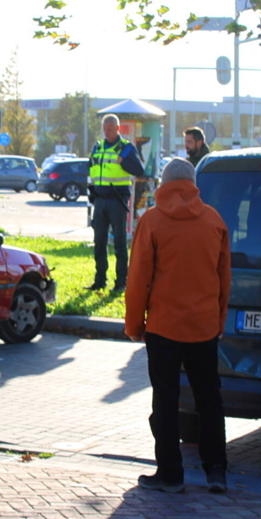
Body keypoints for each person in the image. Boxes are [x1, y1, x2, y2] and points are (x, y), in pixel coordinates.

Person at [125, 158, 231, 494]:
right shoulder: (214, 221)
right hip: (203, 326)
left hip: (163, 325)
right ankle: (216, 470)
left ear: (163, 183)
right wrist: (219, 320)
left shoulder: (152, 221)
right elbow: (223, 278)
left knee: (165, 400)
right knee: (209, 399)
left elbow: (138, 278)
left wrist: (134, 324)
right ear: (194, 183)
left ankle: (170, 472)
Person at [87, 114, 145, 291]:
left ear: (118, 129)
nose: (107, 133)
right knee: (99, 242)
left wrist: (124, 161)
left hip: (117, 200)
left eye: (110, 129)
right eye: (104, 129)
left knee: (119, 243)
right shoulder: (98, 147)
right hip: (100, 199)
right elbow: (91, 169)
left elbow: (139, 170)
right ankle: (99, 280)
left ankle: (121, 282)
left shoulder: (125, 148)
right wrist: (92, 193)